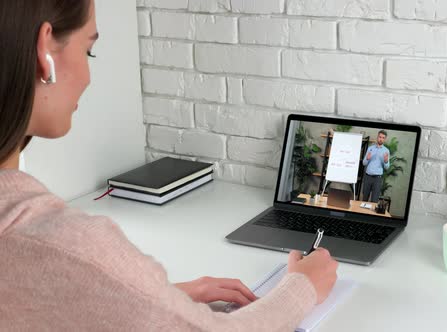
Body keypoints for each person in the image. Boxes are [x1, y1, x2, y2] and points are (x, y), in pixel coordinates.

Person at [0, 1, 338, 330]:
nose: (89, 77)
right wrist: (302, 286)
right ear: (44, 51)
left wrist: (159, 299)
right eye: (89, 51)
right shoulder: (58, 243)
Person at [362, 130, 390, 203]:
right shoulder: (370, 148)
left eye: (383, 138)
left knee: (374, 200)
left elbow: (387, 168)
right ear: (377, 137)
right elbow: (364, 163)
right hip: (368, 177)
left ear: (385, 139)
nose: (381, 139)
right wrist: (367, 159)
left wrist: (386, 161)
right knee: (364, 198)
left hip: (377, 179)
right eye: (380, 137)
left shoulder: (386, 151)